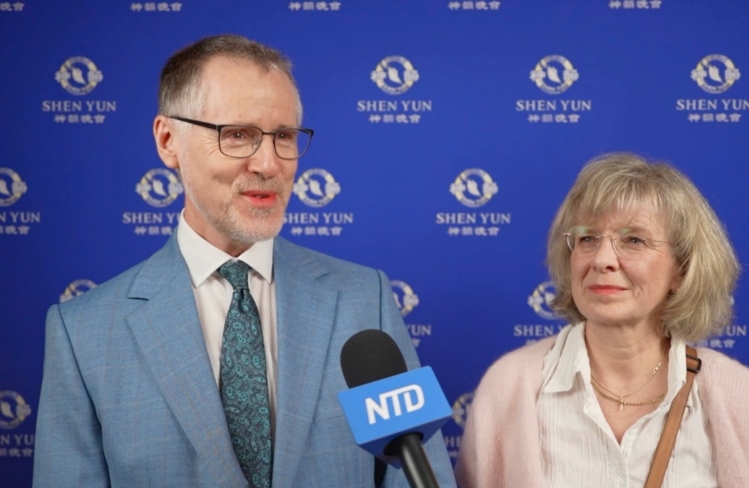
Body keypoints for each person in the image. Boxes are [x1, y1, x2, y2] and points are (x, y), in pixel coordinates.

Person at [33, 34, 455, 488]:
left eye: (284, 136)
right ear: (168, 141)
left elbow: (419, 476)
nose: (269, 164)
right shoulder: (83, 334)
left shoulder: (365, 300)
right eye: (237, 135)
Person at [456, 153, 749, 488]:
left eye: (633, 240)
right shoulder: (509, 386)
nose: (602, 259)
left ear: (681, 270)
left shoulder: (734, 392)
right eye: (587, 238)